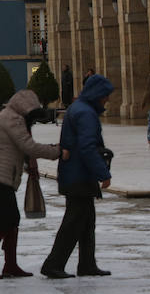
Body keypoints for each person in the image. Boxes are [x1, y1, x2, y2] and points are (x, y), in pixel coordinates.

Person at [0, 89, 66, 279]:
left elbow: (22, 147)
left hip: (0, 175)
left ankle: (10, 265)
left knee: (11, 219)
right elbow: (27, 146)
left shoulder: (11, 116)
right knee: (4, 220)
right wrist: (56, 151)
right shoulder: (12, 119)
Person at [41, 74, 115, 279]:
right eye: (106, 95)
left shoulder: (79, 108)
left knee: (86, 221)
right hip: (79, 176)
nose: (107, 99)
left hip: (75, 173)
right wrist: (103, 173)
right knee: (74, 222)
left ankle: (87, 264)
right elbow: (88, 147)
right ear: (98, 94)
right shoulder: (86, 113)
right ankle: (53, 264)